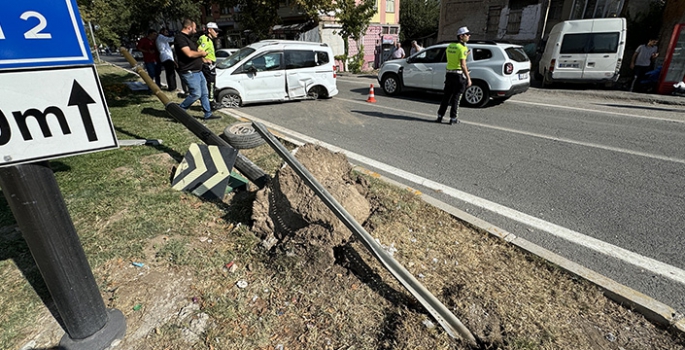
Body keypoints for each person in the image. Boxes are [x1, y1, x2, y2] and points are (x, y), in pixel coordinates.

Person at [174, 19, 219, 120]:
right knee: (196, 94)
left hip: (198, 71)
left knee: (204, 93)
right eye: (194, 28)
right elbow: (189, 53)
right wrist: (202, 54)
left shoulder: (188, 38)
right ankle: (179, 111)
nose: (195, 31)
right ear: (188, 28)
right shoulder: (180, 38)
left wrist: (204, 60)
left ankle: (208, 113)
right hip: (189, 72)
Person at [436, 26, 472, 125]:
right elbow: (462, 64)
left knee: (446, 96)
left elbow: (452, 58)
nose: (469, 36)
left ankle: (440, 116)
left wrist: (465, 55)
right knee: (456, 97)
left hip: (449, 74)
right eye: (467, 34)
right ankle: (453, 118)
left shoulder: (450, 46)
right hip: (458, 75)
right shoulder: (463, 48)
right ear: (461, 36)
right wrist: (468, 78)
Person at [198, 22, 221, 101]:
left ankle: (209, 101)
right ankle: (211, 103)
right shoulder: (206, 39)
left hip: (210, 66)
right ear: (210, 30)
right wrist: (204, 60)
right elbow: (199, 50)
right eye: (215, 30)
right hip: (208, 66)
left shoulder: (208, 40)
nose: (217, 32)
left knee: (209, 84)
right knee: (211, 84)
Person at [156, 27, 178, 92]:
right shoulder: (161, 37)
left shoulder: (162, 38)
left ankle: (172, 87)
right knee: (170, 73)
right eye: (166, 32)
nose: (167, 33)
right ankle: (172, 87)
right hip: (166, 57)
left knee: (170, 73)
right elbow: (171, 39)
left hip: (167, 57)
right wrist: (177, 37)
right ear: (162, 32)